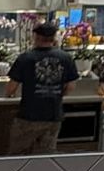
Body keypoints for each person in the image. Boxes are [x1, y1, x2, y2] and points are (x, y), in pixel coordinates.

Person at [6, 21, 79, 155]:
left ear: (37, 37)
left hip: (28, 116)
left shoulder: (25, 58)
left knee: (18, 155)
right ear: (54, 38)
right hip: (53, 116)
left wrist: (9, 95)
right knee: (45, 157)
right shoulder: (66, 58)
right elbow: (71, 86)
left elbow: (11, 88)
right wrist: (56, 94)